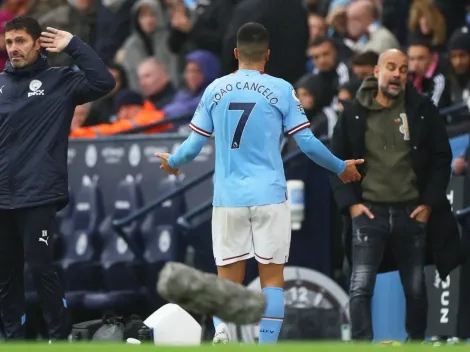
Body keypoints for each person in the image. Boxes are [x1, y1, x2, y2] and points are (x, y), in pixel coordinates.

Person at [156, 22, 364, 344]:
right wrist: (340, 167)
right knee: (272, 280)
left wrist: (173, 163)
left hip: (228, 197)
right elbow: (307, 143)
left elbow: (193, 146)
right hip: (269, 195)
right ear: (267, 54)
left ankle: (222, 332)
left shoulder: (214, 89)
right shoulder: (282, 89)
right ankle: (265, 345)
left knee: (228, 278)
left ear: (236, 53)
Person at [330, 49, 465, 341]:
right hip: (368, 212)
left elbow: (442, 157)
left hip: (410, 211)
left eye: (403, 70)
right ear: (376, 71)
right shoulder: (354, 111)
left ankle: (415, 342)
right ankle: (362, 344)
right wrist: (351, 205)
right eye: (391, 67)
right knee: (361, 286)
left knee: (415, 287)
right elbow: (336, 161)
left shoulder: (422, 109)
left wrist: (429, 202)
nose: (397, 74)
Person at [0, 16, 115, 340]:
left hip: (38, 195)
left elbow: (104, 82)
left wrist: (75, 47)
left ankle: (59, 339)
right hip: (2, 196)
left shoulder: (60, 81)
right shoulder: (1, 85)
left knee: (41, 269)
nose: (14, 49)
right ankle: (13, 342)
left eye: (20, 41)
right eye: (9, 42)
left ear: (38, 43)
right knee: (5, 277)